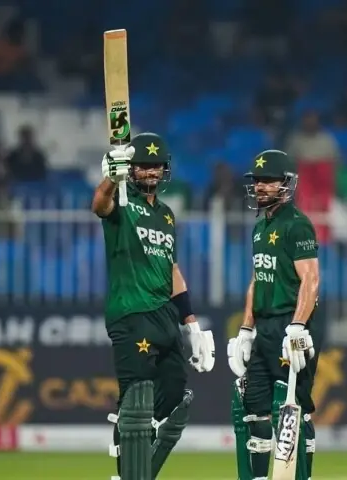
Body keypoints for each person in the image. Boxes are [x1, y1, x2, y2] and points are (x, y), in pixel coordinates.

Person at [91, 133, 216, 480]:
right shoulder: (122, 202)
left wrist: (191, 323)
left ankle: (138, 476)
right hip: (131, 312)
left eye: (156, 166)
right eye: (143, 165)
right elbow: (99, 205)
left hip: (165, 316)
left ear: (165, 170)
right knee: (134, 404)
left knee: (176, 399)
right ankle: (126, 473)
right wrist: (110, 179)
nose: (150, 172)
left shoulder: (167, 215)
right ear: (131, 170)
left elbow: (172, 269)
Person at [228, 150, 321, 480]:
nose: (261, 187)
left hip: (290, 326)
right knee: (254, 411)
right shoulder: (259, 227)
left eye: (268, 181)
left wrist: (297, 326)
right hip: (265, 326)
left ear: (286, 184)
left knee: (294, 412)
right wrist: (245, 329)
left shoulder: (297, 225)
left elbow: (311, 279)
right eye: (257, 181)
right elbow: (258, 278)